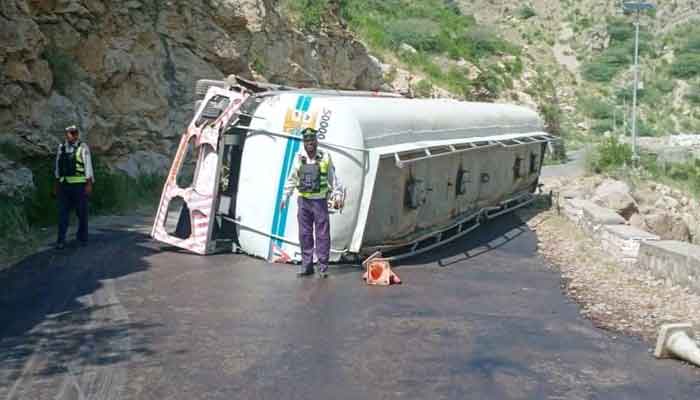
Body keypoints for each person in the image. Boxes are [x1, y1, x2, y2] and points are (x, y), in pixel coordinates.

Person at [281, 128, 343, 278]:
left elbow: (333, 178)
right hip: (303, 202)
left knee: (322, 235)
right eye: (307, 141)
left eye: (312, 141)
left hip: (319, 201)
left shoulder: (325, 157)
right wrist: (285, 197)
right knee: (305, 234)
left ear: (316, 141)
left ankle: (322, 267)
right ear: (304, 143)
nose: (310, 144)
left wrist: (338, 194)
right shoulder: (299, 158)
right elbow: (292, 178)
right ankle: (306, 266)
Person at [54, 125, 94, 249]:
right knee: (62, 214)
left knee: (82, 213)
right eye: (70, 133)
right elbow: (57, 167)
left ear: (77, 134)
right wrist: (56, 185)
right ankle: (61, 240)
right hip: (64, 186)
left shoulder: (83, 147)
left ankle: (82, 238)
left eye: (74, 133)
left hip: (79, 186)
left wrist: (89, 184)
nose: (73, 135)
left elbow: (88, 166)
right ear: (66, 134)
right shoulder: (61, 147)